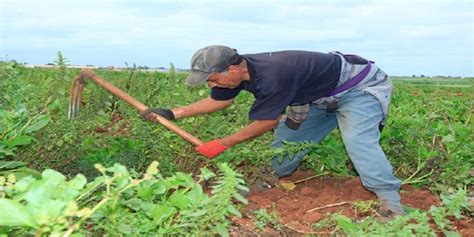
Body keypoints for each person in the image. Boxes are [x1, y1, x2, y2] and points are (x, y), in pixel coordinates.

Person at [144, 45, 404, 217]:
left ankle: (390, 202)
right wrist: (173, 113)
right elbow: (220, 100)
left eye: (213, 79)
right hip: (316, 96)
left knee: (358, 141)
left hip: (358, 89)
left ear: (232, 69)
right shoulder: (238, 74)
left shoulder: (274, 74)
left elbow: (266, 122)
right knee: (288, 139)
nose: (212, 84)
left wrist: (222, 143)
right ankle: (271, 177)